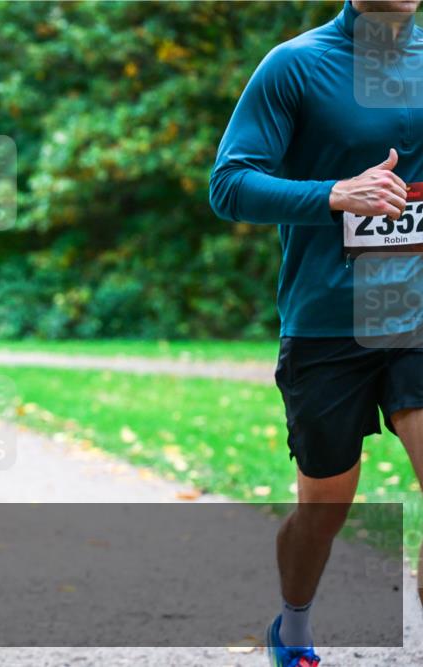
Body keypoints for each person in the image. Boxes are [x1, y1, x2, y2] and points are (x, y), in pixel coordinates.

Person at [209, 2, 422, 665]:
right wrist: (335, 193)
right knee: (324, 508)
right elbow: (230, 185)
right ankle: (293, 623)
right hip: (329, 320)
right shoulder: (296, 65)